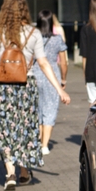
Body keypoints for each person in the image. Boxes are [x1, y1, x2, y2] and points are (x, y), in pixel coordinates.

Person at [0, 0, 70, 191]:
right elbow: (43, 63)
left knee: (6, 130)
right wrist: (60, 89)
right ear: (24, 9)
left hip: (4, 89)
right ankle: (24, 172)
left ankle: (10, 173)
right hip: (26, 87)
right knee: (25, 129)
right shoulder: (34, 33)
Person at [32, 10, 68, 155]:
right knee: (50, 109)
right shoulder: (57, 39)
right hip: (52, 75)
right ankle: (45, 145)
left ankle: (38, 141)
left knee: (38, 110)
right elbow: (64, 62)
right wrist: (64, 79)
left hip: (35, 74)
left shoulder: (33, 38)